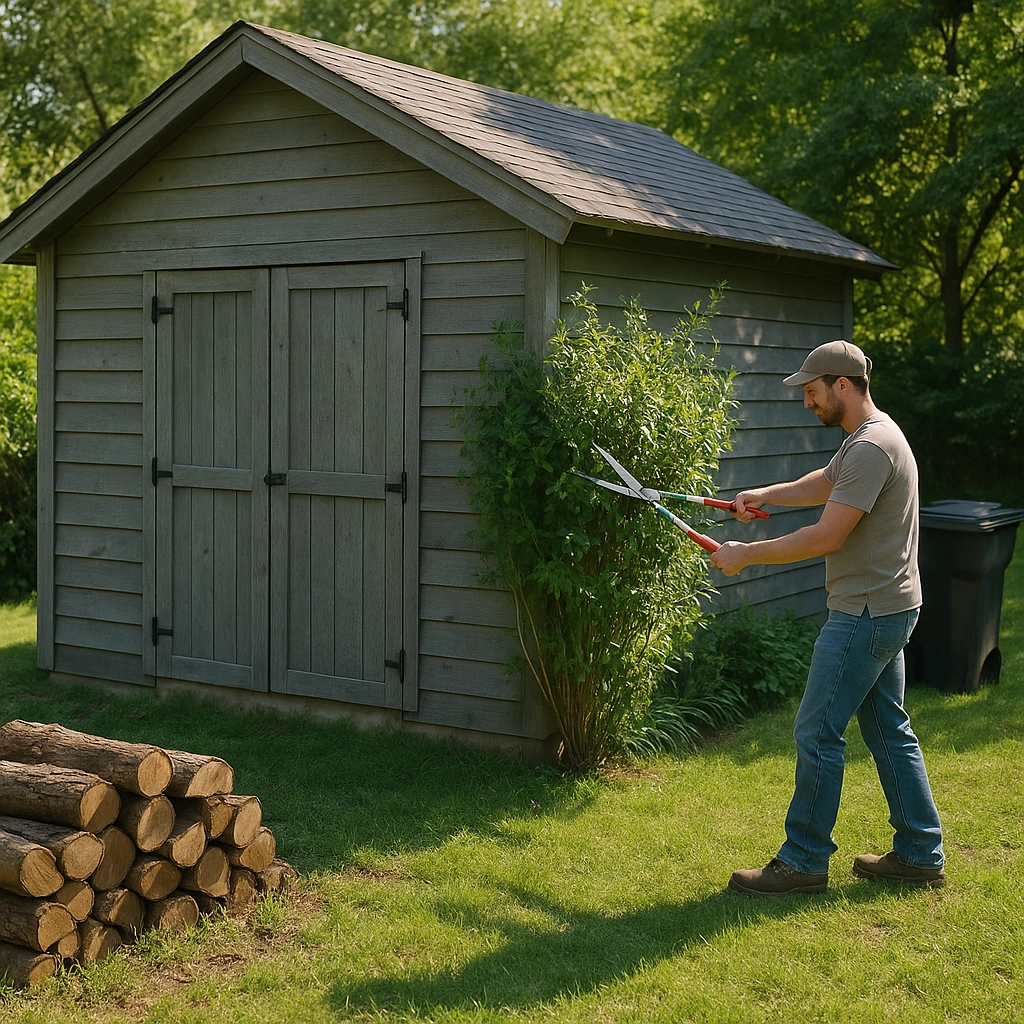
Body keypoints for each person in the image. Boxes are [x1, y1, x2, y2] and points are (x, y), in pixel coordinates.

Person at [711, 339, 945, 896]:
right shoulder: (870, 437)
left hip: (865, 612)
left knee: (817, 730)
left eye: (813, 391)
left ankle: (803, 861)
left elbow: (827, 534)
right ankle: (919, 851)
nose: (808, 402)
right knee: (889, 729)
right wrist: (763, 493)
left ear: (843, 385)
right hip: (889, 607)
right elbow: (822, 484)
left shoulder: (871, 448)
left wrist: (747, 554)